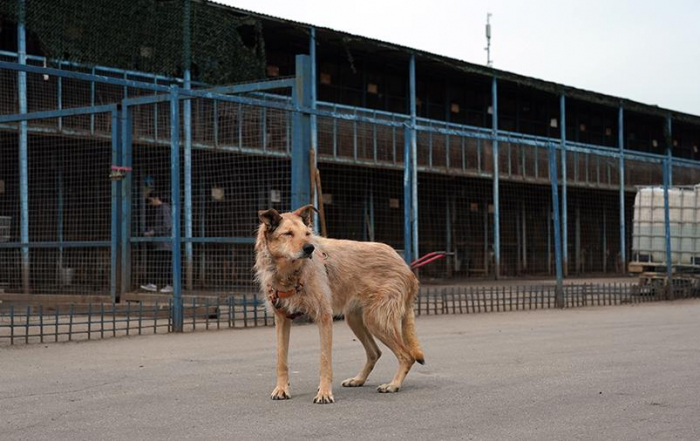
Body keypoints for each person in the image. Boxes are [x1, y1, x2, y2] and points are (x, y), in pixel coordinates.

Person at [140, 192, 173, 293]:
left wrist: (153, 232)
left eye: (150, 200)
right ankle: (154, 284)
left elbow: (167, 226)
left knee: (165, 265)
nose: (150, 203)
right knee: (158, 264)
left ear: (156, 198)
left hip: (165, 243)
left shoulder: (164, 208)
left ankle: (169, 285)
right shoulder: (159, 209)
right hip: (160, 243)